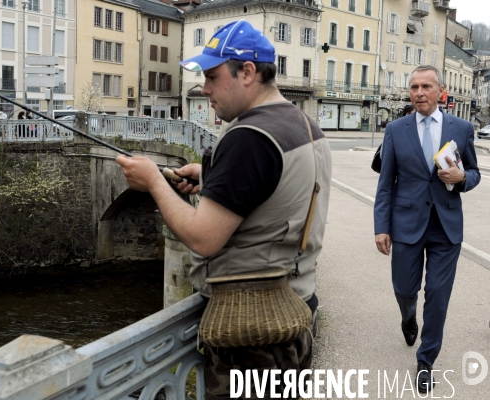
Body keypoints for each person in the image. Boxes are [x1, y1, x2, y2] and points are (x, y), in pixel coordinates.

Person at [116, 20, 332, 399]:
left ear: (247, 72)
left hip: (252, 334)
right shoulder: (303, 124)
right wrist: (215, 179)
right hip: (296, 310)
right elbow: (278, 192)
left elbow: (204, 238)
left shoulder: (248, 137)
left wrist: (152, 181)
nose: (205, 89)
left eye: (213, 76)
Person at [374, 65, 480, 393]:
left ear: (440, 91)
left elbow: (474, 172)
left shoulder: (461, 129)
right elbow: (386, 185)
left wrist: (462, 179)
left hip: (445, 227)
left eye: (426, 86)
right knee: (405, 289)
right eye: (414, 87)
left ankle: (425, 360)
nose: (419, 92)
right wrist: (381, 226)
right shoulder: (395, 129)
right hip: (406, 224)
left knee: (437, 294)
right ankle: (408, 316)